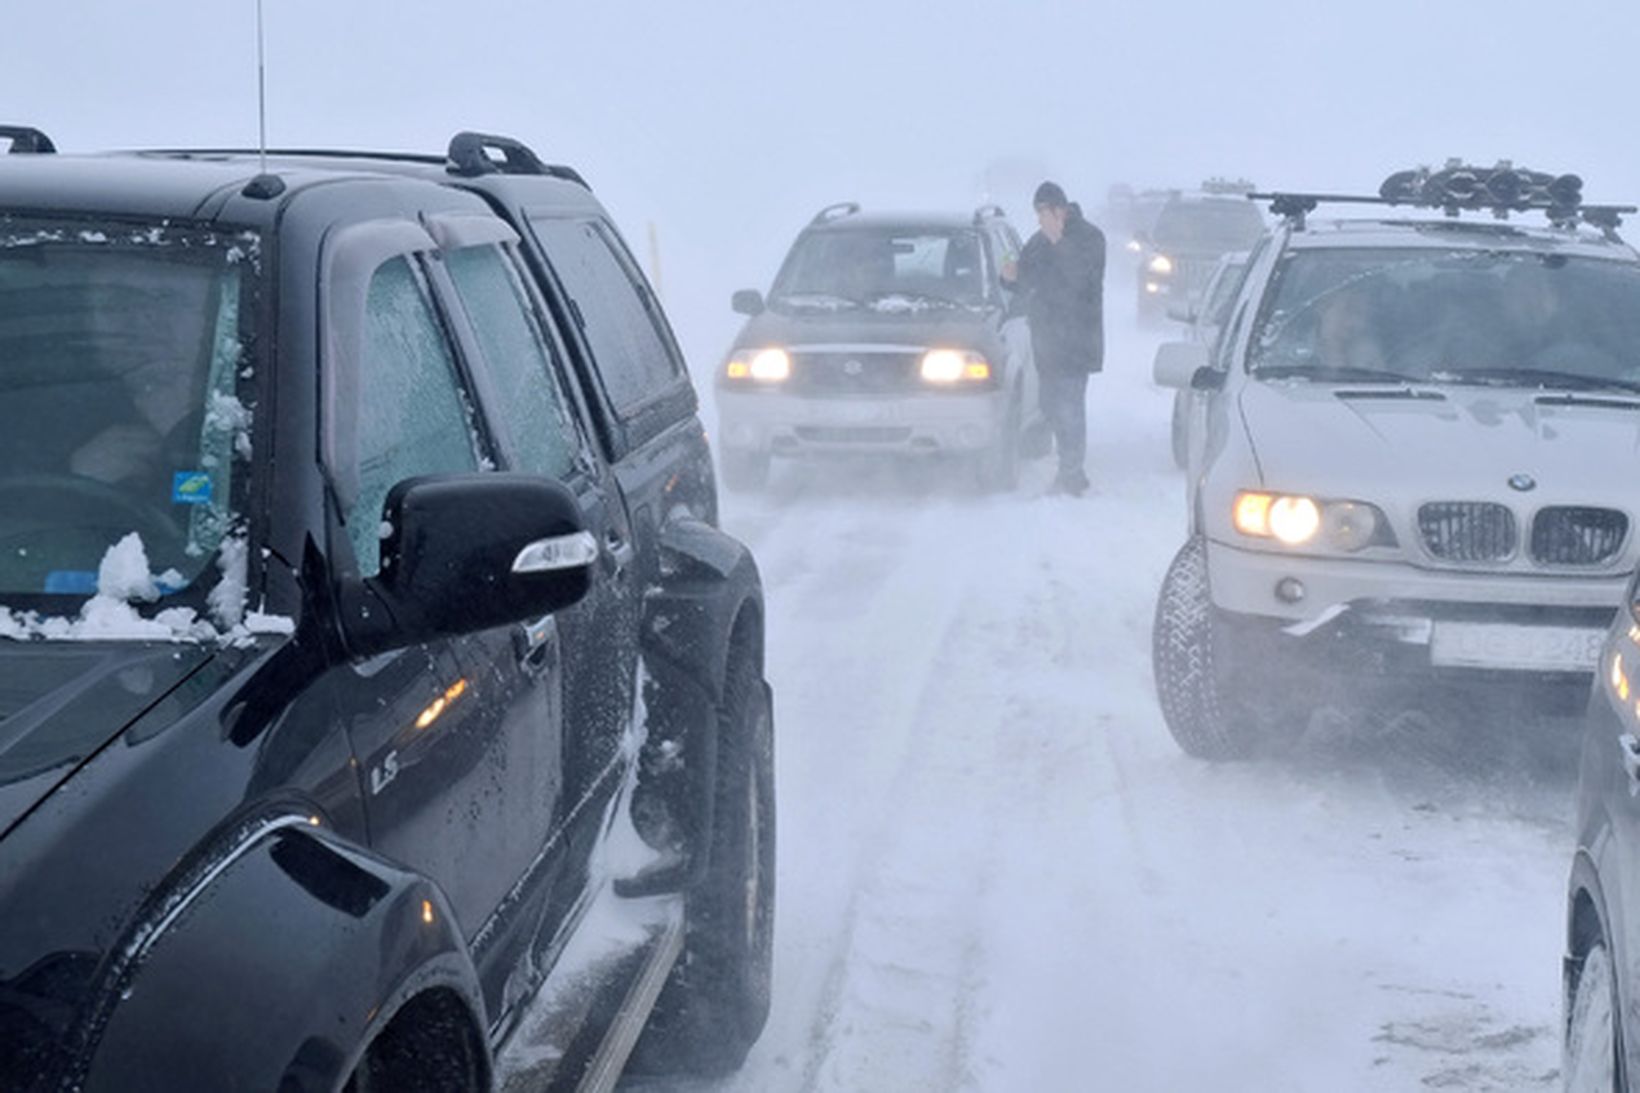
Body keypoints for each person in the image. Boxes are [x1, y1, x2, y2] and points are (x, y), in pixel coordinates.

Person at [1002, 181, 1105, 496]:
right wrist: (1008, 278)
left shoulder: (1090, 237)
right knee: (1049, 404)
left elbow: (1083, 280)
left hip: (1077, 339)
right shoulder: (1037, 243)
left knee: (1070, 405)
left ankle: (1072, 474)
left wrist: (1059, 240)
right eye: (1036, 214)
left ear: (1059, 210)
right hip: (1046, 339)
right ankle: (1068, 465)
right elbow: (1026, 284)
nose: (1038, 220)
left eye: (1043, 212)